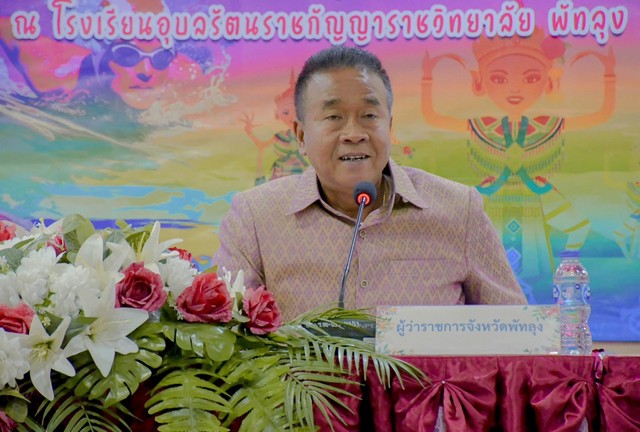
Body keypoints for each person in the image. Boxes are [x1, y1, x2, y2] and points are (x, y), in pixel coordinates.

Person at [213, 45, 526, 321]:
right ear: (301, 136)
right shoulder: (255, 218)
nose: (353, 133)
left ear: (389, 126)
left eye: (369, 115)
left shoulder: (459, 210)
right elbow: (221, 340)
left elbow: (518, 334)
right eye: (334, 117)